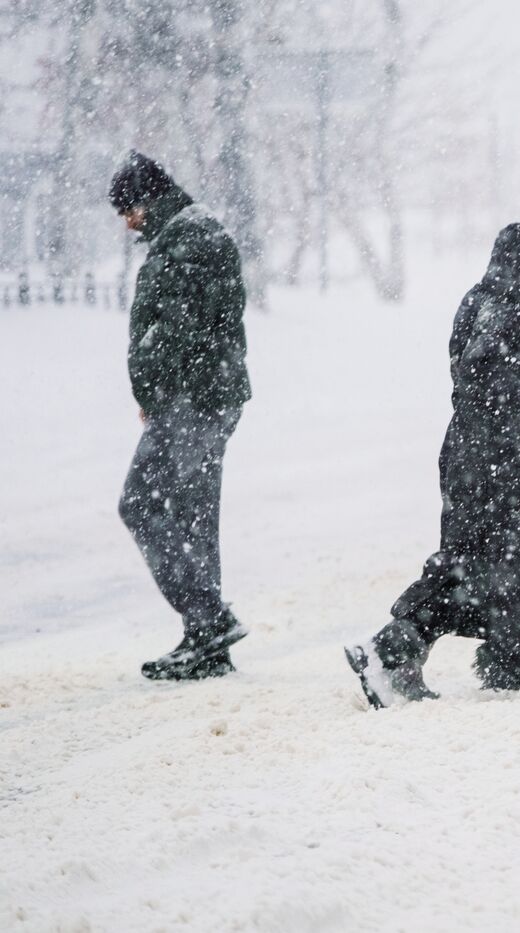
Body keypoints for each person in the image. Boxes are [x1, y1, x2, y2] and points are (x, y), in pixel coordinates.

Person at [345, 222, 520, 707]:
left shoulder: (505, 306)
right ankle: (389, 654)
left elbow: (519, 394)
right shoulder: (502, 311)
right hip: (489, 468)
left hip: (495, 461)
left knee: (504, 565)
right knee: (476, 565)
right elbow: (479, 379)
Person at [109, 151, 252, 680]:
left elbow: (178, 330)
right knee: (193, 517)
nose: (126, 222)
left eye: (128, 209)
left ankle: (209, 620)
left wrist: (156, 388)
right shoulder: (193, 234)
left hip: (194, 398)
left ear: (150, 199)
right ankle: (208, 646)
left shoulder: (188, 242)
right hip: (206, 394)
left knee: (141, 503)